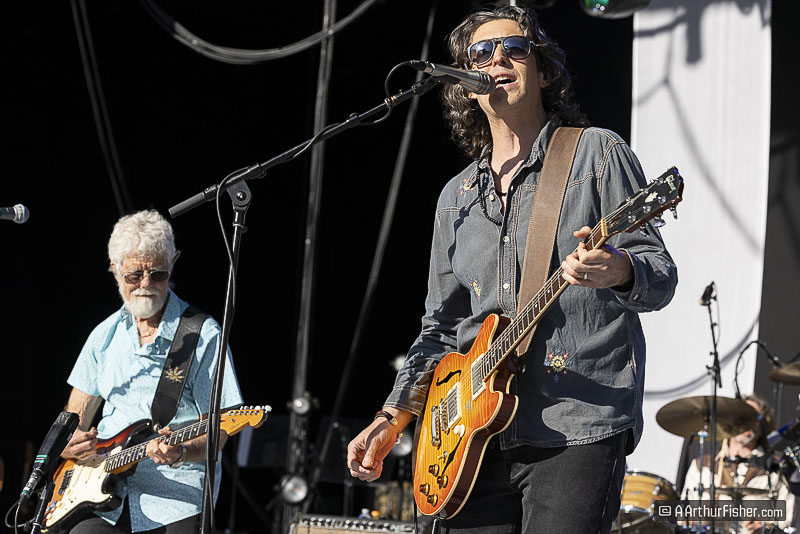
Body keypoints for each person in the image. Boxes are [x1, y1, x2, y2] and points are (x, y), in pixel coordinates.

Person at [346, 5, 678, 534]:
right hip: (470, 442)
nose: (497, 59)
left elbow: (659, 274)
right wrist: (393, 416)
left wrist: (617, 268)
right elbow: (439, 330)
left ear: (543, 71)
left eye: (515, 49)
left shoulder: (596, 153)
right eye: (481, 53)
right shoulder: (456, 198)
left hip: (575, 424)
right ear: (466, 85)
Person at [61, 210, 243, 534]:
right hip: (98, 495)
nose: (146, 284)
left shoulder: (202, 334)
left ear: (173, 263)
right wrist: (70, 442)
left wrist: (181, 451)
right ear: (114, 268)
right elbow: (73, 418)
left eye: (157, 274)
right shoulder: (104, 335)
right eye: (134, 275)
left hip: (174, 501)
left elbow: (220, 430)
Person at [681, 395, 795, 534]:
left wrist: (766, 525)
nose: (747, 422)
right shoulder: (701, 465)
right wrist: (694, 519)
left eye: (753, 417)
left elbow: (787, 518)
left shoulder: (776, 468)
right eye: (742, 415)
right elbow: (684, 516)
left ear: (762, 425)